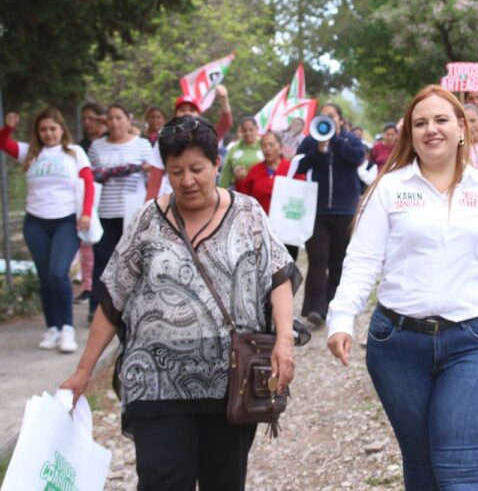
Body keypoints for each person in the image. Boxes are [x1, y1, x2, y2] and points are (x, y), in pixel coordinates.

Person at [326, 85, 478, 490]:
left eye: (441, 120)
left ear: (462, 129)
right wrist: (341, 318)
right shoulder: (390, 189)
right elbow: (363, 260)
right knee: (420, 466)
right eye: (420, 123)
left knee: (458, 469)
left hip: (474, 343)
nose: (431, 129)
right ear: (410, 134)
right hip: (396, 345)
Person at [61, 116, 300, 490]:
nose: (187, 180)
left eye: (196, 169)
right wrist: (83, 370)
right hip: (155, 381)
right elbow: (113, 297)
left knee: (224, 482)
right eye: (175, 171)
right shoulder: (147, 220)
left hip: (230, 383)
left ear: (216, 163)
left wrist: (284, 341)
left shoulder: (248, 213)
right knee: (161, 481)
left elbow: (278, 278)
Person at [0, 109, 94, 353]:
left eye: (53, 128)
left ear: (61, 129)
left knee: (57, 272)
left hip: (65, 222)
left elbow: (88, 183)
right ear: (38, 132)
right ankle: (52, 327)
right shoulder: (30, 153)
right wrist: (8, 127)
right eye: (43, 129)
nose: (48, 133)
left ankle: (67, 329)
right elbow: (3, 143)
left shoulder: (74, 153)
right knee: (45, 277)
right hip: (35, 223)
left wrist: (85, 212)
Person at [295, 104, 366, 326]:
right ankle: (315, 309)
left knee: (338, 262)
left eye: (331, 116)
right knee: (317, 259)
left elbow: (357, 158)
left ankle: (336, 308)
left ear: (340, 120)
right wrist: (319, 151)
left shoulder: (350, 140)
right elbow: (300, 166)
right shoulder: (310, 140)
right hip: (316, 210)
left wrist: (335, 140)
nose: (327, 119)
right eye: (323, 116)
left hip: (345, 209)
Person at [87, 104, 152, 322]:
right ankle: (97, 307)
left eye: (119, 117)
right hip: (105, 210)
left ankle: (135, 307)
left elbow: (151, 175)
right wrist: (129, 168)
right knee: (103, 259)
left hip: (133, 213)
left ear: (128, 119)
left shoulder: (142, 145)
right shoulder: (97, 146)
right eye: (111, 118)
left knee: (133, 260)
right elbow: (92, 175)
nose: (115, 122)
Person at [145, 85, 233, 199]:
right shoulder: (164, 140)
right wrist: (149, 207)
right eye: (182, 110)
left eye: (192, 110)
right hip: (172, 203)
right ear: (175, 114)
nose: (187, 113)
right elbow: (155, 178)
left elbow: (226, 123)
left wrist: (224, 100)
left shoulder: (207, 137)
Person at [238, 130, 302, 261]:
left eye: (271, 145)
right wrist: (239, 181)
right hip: (260, 228)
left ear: (280, 148)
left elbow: (301, 195)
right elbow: (244, 196)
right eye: (264, 145)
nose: (267, 149)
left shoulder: (292, 169)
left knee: (286, 268)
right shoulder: (255, 170)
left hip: (286, 231)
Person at [74, 103, 108, 305]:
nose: (87, 123)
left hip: (113, 203)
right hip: (89, 201)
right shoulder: (82, 146)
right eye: (84, 119)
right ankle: (89, 289)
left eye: (92, 118)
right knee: (88, 247)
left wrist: (105, 120)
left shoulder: (111, 138)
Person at [219, 117, 263, 190]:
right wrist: (222, 190)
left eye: (251, 130)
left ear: (257, 129)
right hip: (238, 190)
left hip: (261, 190)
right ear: (241, 131)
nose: (248, 133)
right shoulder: (233, 149)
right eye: (245, 130)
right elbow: (225, 173)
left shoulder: (265, 146)